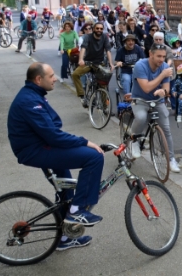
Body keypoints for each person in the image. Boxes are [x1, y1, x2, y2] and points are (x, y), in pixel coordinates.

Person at [8, 63, 105, 250]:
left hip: (42, 145)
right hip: (36, 150)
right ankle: (77, 212)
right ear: (38, 79)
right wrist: (84, 141)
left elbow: (53, 125)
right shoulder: (30, 101)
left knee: (66, 189)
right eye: (51, 76)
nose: (55, 79)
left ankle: (64, 238)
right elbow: (52, 134)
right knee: (93, 157)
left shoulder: (34, 95)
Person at [130, 44, 180, 173]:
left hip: (157, 101)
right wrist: (162, 75)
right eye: (159, 56)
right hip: (140, 99)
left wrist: (163, 91)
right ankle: (134, 140)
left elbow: (166, 88)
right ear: (150, 54)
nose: (162, 60)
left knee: (166, 129)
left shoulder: (164, 67)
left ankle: (171, 159)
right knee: (141, 117)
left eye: (164, 56)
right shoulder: (140, 65)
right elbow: (146, 88)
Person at [72, 22, 114, 107]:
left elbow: (108, 50)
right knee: (75, 74)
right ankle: (82, 96)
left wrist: (111, 63)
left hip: (99, 64)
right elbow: (83, 48)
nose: (99, 30)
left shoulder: (104, 37)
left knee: (103, 85)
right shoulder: (88, 37)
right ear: (94, 29)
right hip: (88, 63)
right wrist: (81, 60)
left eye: (101, 29)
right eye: (97, 28)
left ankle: (105, 109)